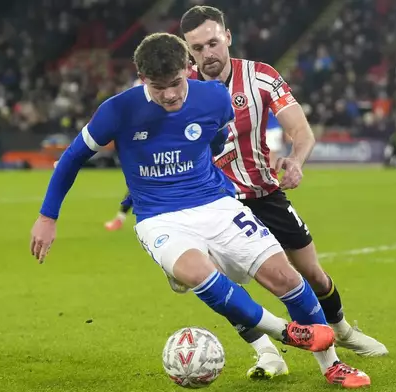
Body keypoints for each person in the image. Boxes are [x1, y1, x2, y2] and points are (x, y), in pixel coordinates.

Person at [30, 32, 338, 365]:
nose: (170, 94)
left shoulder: (215, 98)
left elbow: (217, 138)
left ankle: (332, 365)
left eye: (176, 83)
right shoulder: (118, 110)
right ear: (142, 78)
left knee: (285, 277)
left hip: (216, 203)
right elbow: (73, 158)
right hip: (159, 217)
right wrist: (48, 216)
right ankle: (283, 332)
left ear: (188, 67)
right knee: (197, 274)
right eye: (158, 87)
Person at [178, 5, 383, 388]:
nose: (207, 53)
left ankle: (340, 330)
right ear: (188, 51)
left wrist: (296, 161)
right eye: (197, 48)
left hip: (265, 194)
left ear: (227, 37)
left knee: (312, 275)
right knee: (220, 284)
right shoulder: (182, 88)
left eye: (212, 42)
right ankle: (267, 352)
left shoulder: (260, 77)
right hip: (216, 203)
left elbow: (301, 131)